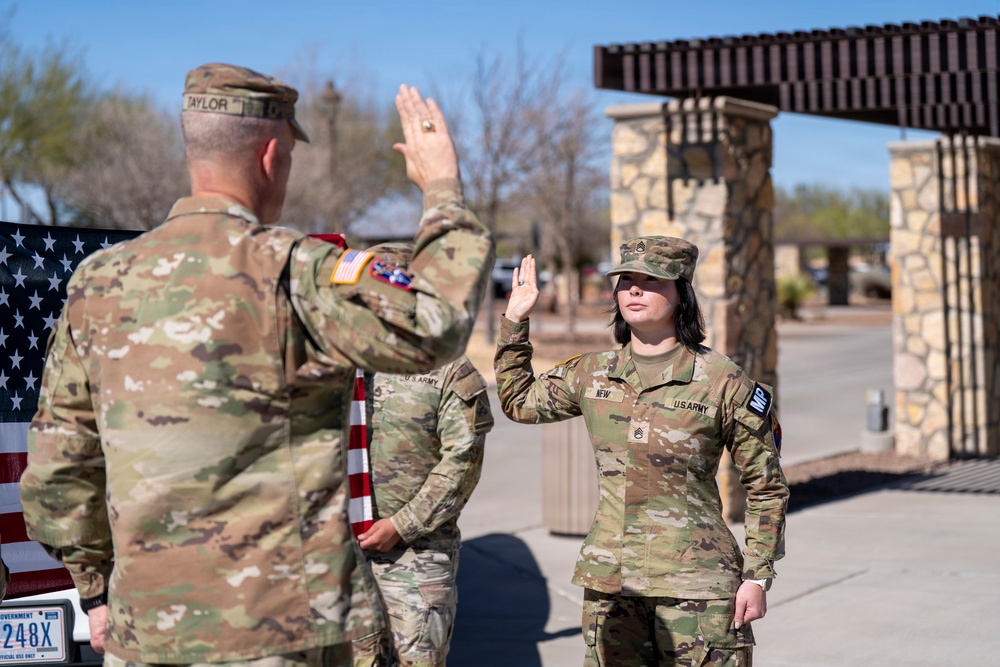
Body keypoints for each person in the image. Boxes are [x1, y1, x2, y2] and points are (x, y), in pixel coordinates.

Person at [19, 63, 493, 666]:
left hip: (143, 632)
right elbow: (437, 322)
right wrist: (442, 187)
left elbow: (59, 463)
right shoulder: (299, 272)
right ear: (272, 156)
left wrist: (94, 593)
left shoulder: (99, 281)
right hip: (282, 638)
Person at [494, 237, 788, 666]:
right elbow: (519, 403)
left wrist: (758, 576)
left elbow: (766, 487)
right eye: (626, 279)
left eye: (652, 281)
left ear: (682, 293)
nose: (634, 289)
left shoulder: (724, 381)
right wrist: (515, 322)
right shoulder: (593, 373)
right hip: (611, 586)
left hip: (698, 590)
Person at [349, 243, 494, 667]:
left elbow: (462, 462)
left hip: (415, 557)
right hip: (340, 555)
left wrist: (402, 524)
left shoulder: (450, 369)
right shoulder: (339, 363)